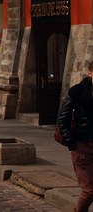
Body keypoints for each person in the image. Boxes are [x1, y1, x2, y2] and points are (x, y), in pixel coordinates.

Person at [57, 61, 93, 212]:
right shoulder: (77, 92)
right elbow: (62, 119)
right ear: (90, 73)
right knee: (89, 191)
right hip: (83, 147)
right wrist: (71, 143)